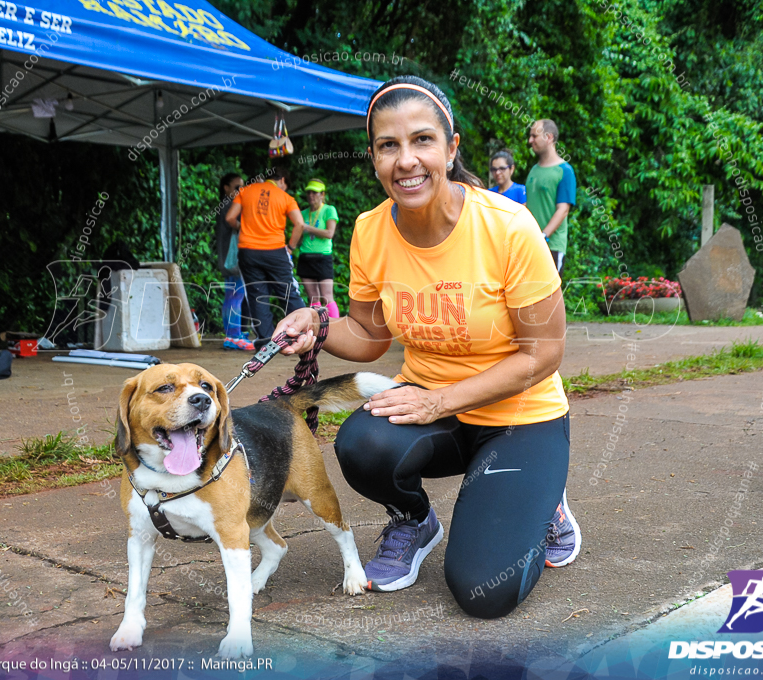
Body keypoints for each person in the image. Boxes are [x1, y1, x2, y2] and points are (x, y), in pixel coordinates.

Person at [267, 75, 580, 620]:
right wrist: (317, 324)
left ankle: (543, 506)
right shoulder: (369, 231)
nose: (406, 160)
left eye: (422, 141)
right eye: (389, 146)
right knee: (362, 444)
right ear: (374, 158)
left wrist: (438, 401)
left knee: (484, 590)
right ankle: (415, 520)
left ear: (451, 147)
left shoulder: (508, 226)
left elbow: (543, 354)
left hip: (520, 418)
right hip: (436, 413)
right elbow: (367, 336)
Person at [226, 166, 307, 349]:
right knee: (288, 292)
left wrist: (246, 229)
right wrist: (291, 248)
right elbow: (300, 224)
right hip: (276, 251)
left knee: (257, 295)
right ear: (283, 181)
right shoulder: (285, 197)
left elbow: (230, 218)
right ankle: (301, 333)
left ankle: (266, 341)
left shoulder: (246, 191)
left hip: (248, 251)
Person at [525, 120, 576, 274]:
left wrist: (543, 236)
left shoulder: (565, 171)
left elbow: (563, 210)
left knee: (551, 297)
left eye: (534, 136)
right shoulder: (534, 170)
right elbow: (530, 204)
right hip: (530, 245)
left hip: (551, 246)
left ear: (549, 138)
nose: (530, 141)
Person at [214, 173, 254, 351]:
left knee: (231, 295)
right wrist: (248, 229)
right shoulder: (231, 205)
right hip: (235, 259)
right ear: (226, 188)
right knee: (236, 296)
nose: (241, 190)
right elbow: (233, 221)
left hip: (228, 259)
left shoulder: (224, 205)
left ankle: (232, 333)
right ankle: (234, 335)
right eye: (237, 187)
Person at [297, 179, 341, 319]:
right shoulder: (303, 213)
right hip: (305, 257)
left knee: (327, 297)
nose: (311, 195)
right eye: (309, 192)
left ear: (322, 194)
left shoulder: (329, 210)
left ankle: (336, 329)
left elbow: (329, 233)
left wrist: (307, 228)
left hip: (323, 257)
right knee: (313, 298)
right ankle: (318, 329)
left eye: (315, 193)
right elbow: (298, 237)